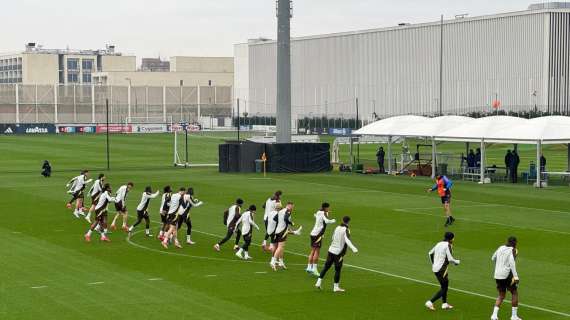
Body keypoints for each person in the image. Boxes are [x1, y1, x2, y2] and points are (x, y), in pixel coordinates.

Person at [315, 216, 358, 292]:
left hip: (331, 250)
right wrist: (353, 248)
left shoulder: (337, 227)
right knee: (338, 270)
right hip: (338, 253)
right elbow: (347, 240)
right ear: (348, 222)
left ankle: (318, 282)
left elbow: (332, 237)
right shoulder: (346, 230)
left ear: (342, 220)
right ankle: (336, 287)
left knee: (326, 267)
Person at [425, 232, 460, 311]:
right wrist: (456, 262)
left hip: (436, 269)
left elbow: (430, 253)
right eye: (453, 238)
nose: (454, 239)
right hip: (442, 269)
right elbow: (450, 259)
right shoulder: (448, 245)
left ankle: (444, 304)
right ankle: (430, 302)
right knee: (444, 288)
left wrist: (433, 264)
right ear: (451, 239)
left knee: (444, 286)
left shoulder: (439, 243)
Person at [490, 236, 521, 320]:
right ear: (514, 243)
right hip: (507, 275)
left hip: (497, 274)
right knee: (514, 292)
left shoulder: (500, 247)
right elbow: (512, 263)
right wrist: (516, 276)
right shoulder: (512, 250)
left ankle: (494, 315)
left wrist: (499, 264)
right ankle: (514, 316)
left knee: (501, 295)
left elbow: (493, 258)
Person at [270, 202, 302, 271]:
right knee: (280, 247)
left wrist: (282, 223)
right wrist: (291, 223)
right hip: (282, 231)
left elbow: (275, 219)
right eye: (292, 207)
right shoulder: (287, 211)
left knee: (282, 247)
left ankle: (281, 262)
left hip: (277, 231)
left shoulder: (281, 211)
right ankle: (273, 261)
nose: (292, 208)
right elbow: (285, 218)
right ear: (289, 206)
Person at [307, 203, 336, 276]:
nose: (329, 209)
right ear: (325, 208)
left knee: (312, 250)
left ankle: (309, 267)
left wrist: (327, 213)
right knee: (317, 251)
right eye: (328, 208)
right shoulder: (323, 213)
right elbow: (326, 221)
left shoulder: (319, 212)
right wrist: (333, 220)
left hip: (313, 233)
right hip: (318, 235)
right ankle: (314, 269)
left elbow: (317, 216)